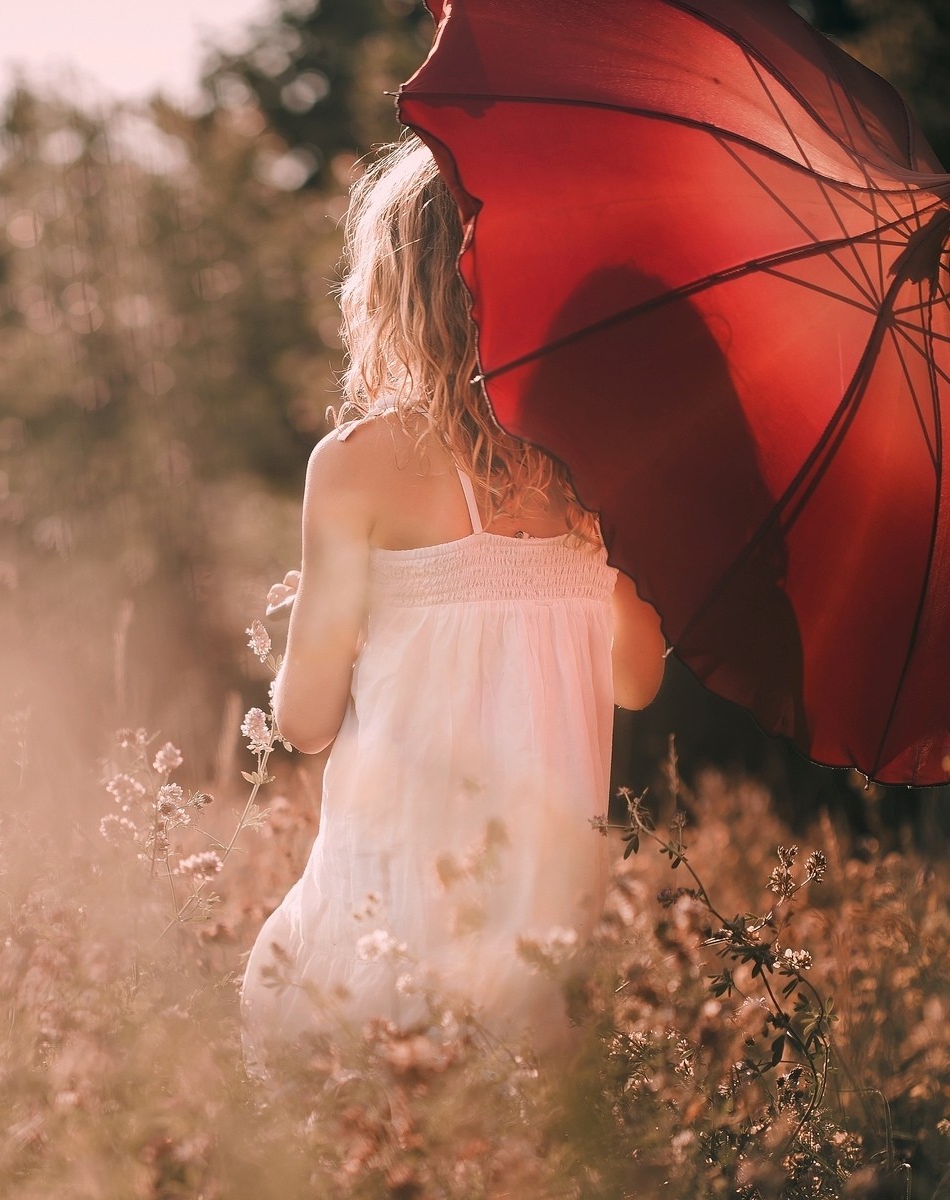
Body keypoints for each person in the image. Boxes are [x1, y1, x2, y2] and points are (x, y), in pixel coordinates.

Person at [239, 137, 668, 1075]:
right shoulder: (600, 471)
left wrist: (332, 623)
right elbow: (636, 683)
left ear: (396, 292)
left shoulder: (357, 466)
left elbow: (303, 723)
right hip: (541, 934)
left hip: (388, 911)